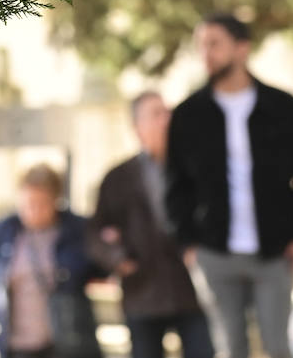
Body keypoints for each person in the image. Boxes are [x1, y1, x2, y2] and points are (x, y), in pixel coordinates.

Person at [166, 13, 293, 358]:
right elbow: (175, 186)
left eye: (214, 44)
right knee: (230, 348)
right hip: (214, 253)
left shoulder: (284, 106)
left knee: (277, 347)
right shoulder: (188, 114)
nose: (206, 53)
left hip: (274, 251)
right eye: (201, 46)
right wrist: (188, 243)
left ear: (242, 49)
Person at [88, 91, 214, 358]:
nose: (166, 120)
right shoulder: (117, 178)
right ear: (137, 127)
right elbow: (96, 232)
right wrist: (117, 258)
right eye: (156, 114)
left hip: (190, 291)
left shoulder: (194, 170)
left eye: (167, 112)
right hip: (142, 293)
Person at [0, 164, 103, 358]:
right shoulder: (2, 232)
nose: (33, 211)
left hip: (66, 340)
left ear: (55, 201)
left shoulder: (76, 230)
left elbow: (98, 269)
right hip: (17, 343)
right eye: (27, 204)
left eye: (41, 203)